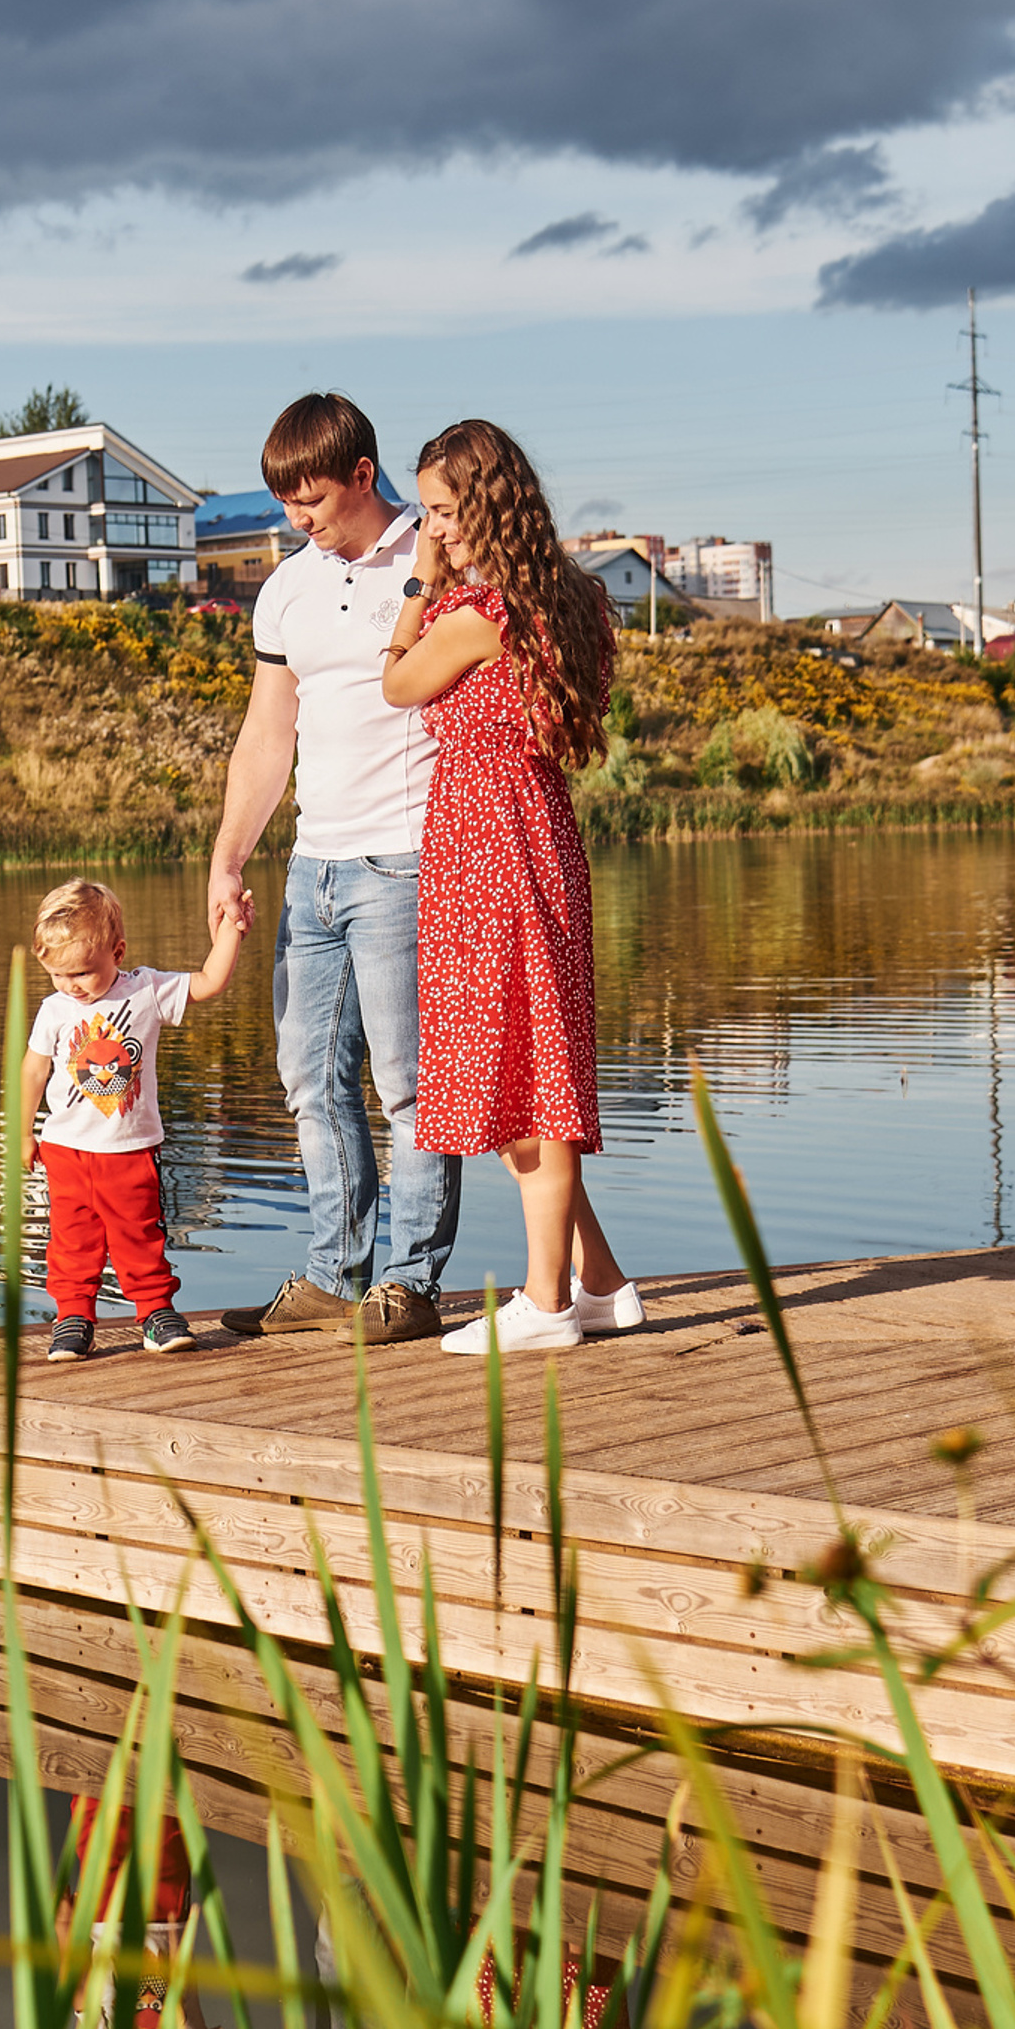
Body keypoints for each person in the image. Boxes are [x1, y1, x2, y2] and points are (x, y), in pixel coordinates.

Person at [377, 420, 643, 1355]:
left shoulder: (477, 615)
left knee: (515, 1071)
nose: (436, 529)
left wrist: (418, 574)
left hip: (482, 841)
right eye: (428, 516)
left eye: (446, 512)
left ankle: (547, 1300)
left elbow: (397, 683)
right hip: (541, 828)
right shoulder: (581, 602)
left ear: (483, 507)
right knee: (530, 1059)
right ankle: (600, 1282)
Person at [208, 393, 462, 1344]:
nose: (297, 520)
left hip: (406, 858)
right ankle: (333, 1272)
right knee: (310, 1077)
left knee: (408, 1081)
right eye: (286, 504)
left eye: (311, 500)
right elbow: (269, 735)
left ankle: (410, 1281)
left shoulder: (433, 558)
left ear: (364, 475)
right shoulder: (288, 588)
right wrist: (230, 856)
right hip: (312, 866)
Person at [20, 877, 246, 1360]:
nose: (71, 986)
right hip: (67, 1150)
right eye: (58, 975)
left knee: (139, 1233)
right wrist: (21, 1132)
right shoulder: (54, 1010)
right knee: (71, 1239)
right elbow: (33, 1071)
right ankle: (73, 1318)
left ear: (117, 952)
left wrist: (231, 931)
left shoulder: (145, 990)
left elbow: (208, 983)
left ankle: (155, 1313)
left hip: (130, 1148)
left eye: (81, 973)